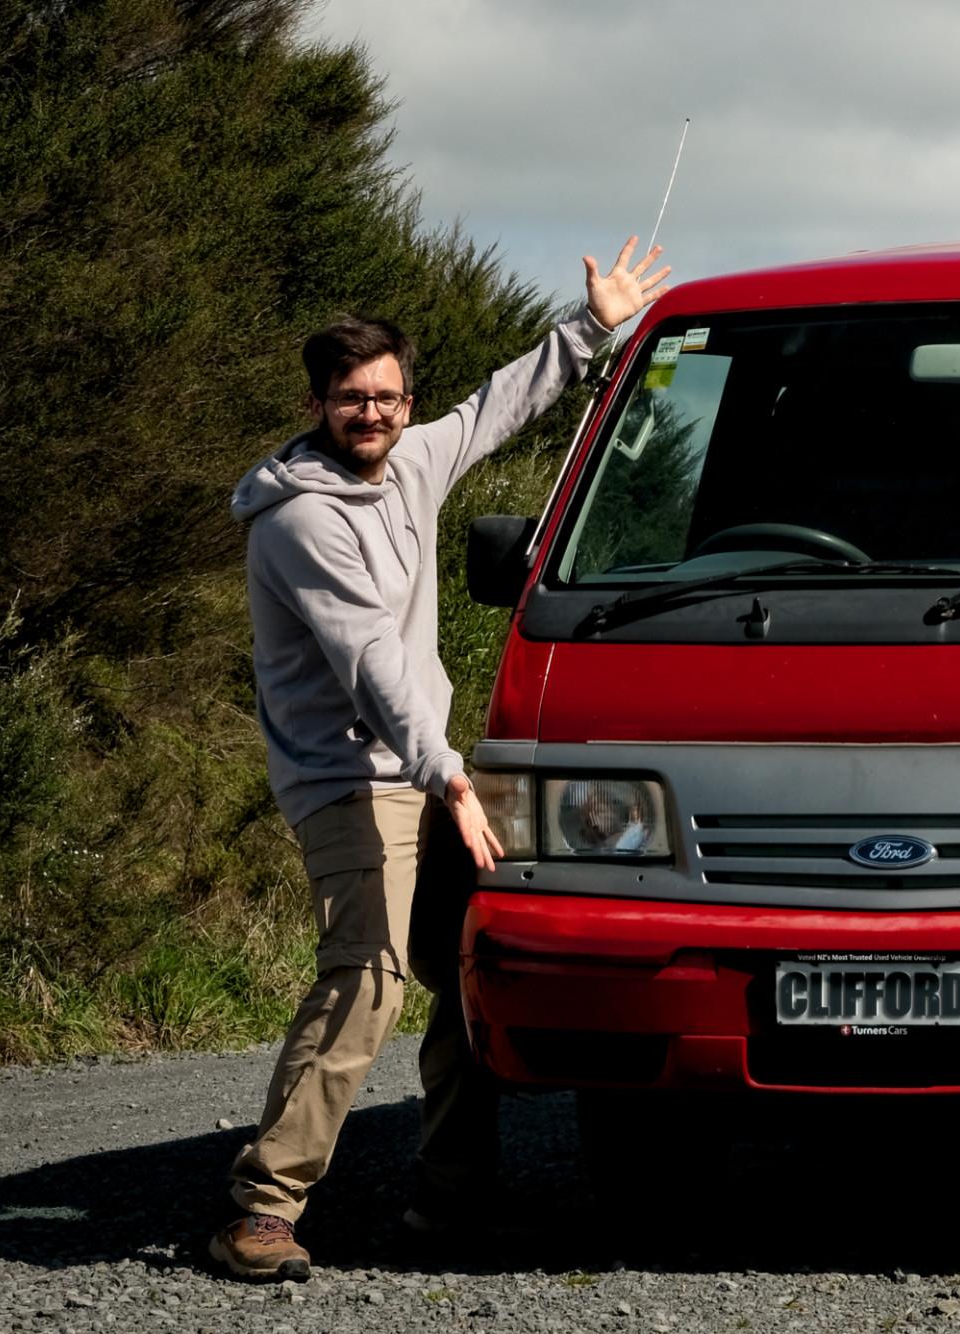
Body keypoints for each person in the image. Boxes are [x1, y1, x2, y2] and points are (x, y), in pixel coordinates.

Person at [212, 235, 672, 1281]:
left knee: (468, 981)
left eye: (385, 395)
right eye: (348, 397)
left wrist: (592, 328)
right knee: (367, 975)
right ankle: (262, 1204)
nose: (370, 413)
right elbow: (371, 658)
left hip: (425, 768)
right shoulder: (296, 521)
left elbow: (497, 407)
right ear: (317, 402)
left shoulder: (414, 456)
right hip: (347, 781)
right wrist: (452, 777)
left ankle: (449, 1203)